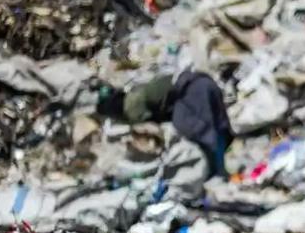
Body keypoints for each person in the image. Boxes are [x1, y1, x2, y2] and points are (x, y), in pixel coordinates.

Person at [97, 70, 233, 178]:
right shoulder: (135, 91)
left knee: (194, 130)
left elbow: (153, 129)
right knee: (217, 125)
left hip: (193, 92)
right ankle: (228, 158)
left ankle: (220, 173)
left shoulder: (131, 109)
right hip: (203, 82)